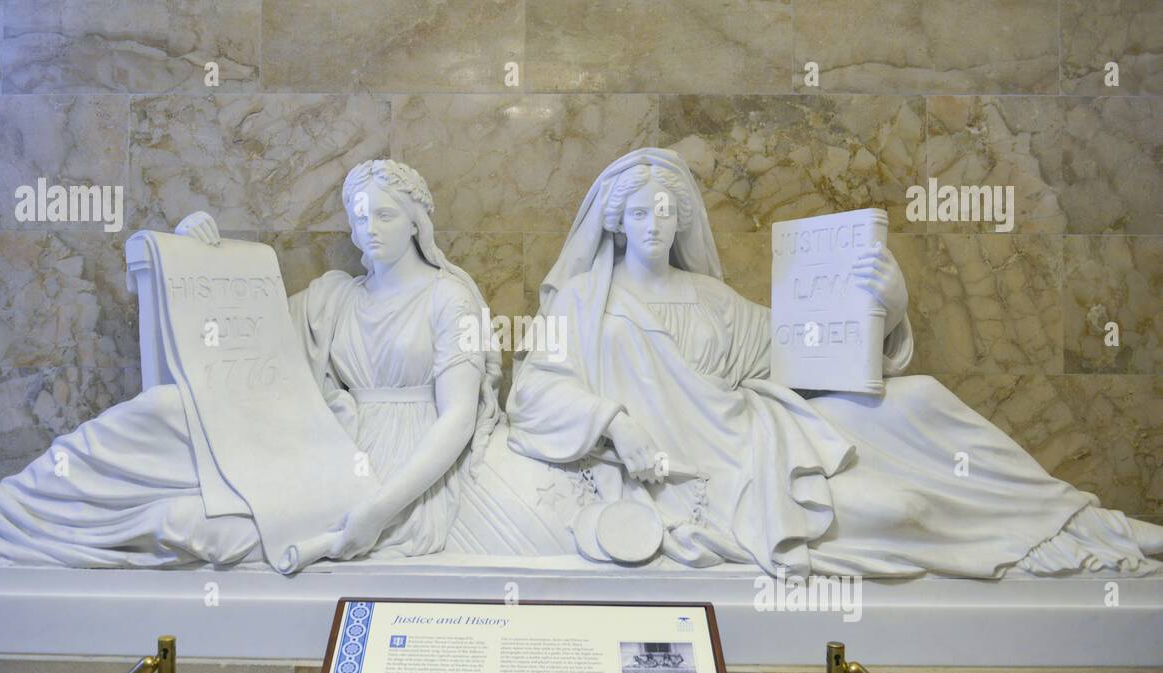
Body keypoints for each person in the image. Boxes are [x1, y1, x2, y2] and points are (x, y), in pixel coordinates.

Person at [474, 146, 1162, 578]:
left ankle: (1082, 520)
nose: (655, 222)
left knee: (918, 400)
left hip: (759, 439)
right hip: (700, 481)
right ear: (616, 222)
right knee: (900, 506)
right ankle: (1045, 543)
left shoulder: (713, 300)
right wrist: (614, 423)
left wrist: (884, 309)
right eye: (640, 211)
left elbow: (804, 353)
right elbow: (532, 397)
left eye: (666, 210)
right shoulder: (583, 304)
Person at [0, 160, 501, 571]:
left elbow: (457, 419)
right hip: (318, 437)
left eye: (386, 215)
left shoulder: (449, 298)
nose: (369, 229)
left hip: (390, 472)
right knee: (164, 407)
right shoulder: (336, 296)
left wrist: (374, 510)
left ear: (418, 221)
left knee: (188, 525)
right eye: (360, 216)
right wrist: (192, 253)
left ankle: (22, 542)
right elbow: (230, 341)